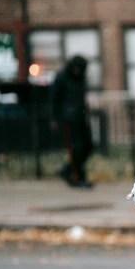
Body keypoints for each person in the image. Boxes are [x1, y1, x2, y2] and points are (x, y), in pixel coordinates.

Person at [50, 55, 93, 188]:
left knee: (88, 146)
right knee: (76, 147)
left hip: (80, 116)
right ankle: (76, 176)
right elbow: (53, 98)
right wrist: (54, 117)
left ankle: (68, 170)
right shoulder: (62, 77)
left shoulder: (80, 78)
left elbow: (81, 95)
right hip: (68, 118)